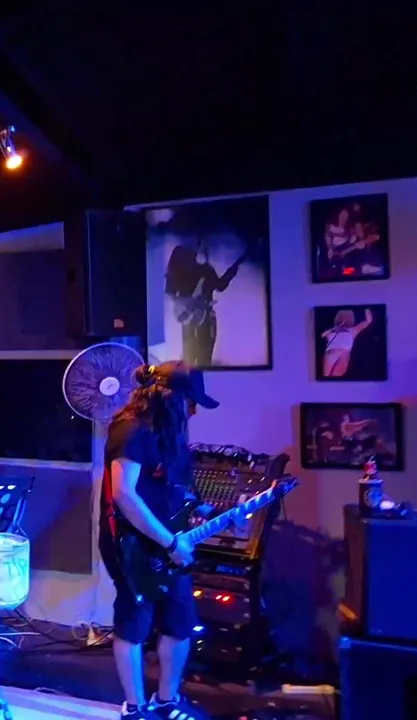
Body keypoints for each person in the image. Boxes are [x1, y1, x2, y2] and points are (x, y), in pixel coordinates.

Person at [99, 360, 219, 720]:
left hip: (168, 540)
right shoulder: (131, 430)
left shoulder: (171, 433)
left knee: (180, 622)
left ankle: (167, 702)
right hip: (132, 544)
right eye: (190, 402)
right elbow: (124, 494)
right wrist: (170, 543)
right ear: (168, 397)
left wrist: (199, 508)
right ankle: (134, 708)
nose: (193, 410)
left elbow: (172, 486)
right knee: (134, 623)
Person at [164, 238, 247, 367]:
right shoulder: (203, 270)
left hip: (192, 319)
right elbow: (220, 286)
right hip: (203, 319)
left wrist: (231, 272)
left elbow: (170, 292)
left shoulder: (194, 270)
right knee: (203, 357)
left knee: (190, 357)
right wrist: (190, 303)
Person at [321, 308, 374, 378]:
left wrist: (366, 308)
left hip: (342, 354)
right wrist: (335, 328)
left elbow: (368, 321)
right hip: (333, 353)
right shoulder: (334, 331)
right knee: (326, 377)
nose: (344, 320)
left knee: (334, 377)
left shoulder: (353, 330)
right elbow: (323, 335)